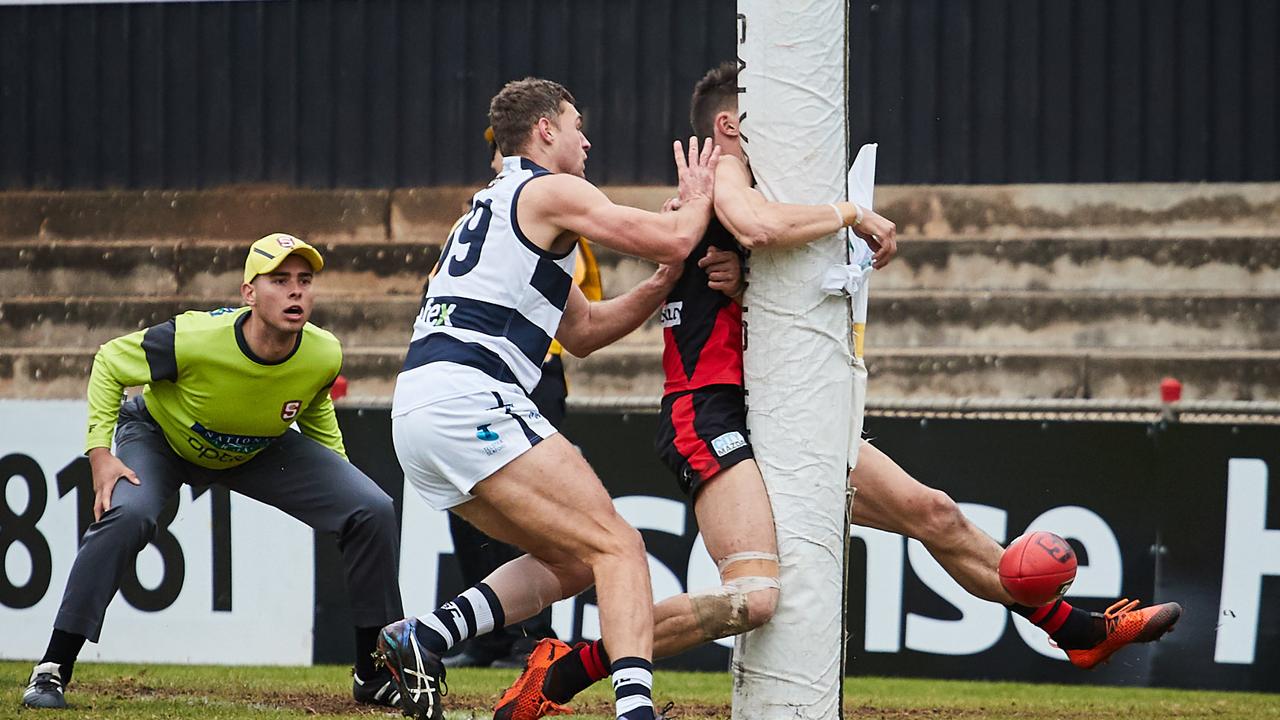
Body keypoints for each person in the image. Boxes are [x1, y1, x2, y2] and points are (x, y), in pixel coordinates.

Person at [493, 62, 1184, 720]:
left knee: (934, 513)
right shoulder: (727, 173)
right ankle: (562, 671)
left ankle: (1077, 629)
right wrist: (853, 212)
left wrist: (753, 282)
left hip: (778, 405)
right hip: (707, 415)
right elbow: (758, 225)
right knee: (753, 599)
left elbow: (757, 249)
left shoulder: (741, 194)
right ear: (733, 126)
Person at [376, 77, 719, 720]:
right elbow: (673, 236)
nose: (588, 140)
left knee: (574, 558)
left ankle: (425, 636)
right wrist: (701, 198)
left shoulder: (489, 209)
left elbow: (583, 333)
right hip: (469, 396)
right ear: (545, 130)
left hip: (419, 409)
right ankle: (636, 714)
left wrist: (660, 284)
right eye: (577, 125)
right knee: (619, 546)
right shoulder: (551, 188)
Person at [20, 233, 406, 710]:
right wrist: (100, 452)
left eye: (305, 281)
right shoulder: (193, 338)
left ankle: (372, 672)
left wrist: (342, 482)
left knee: (372, 508)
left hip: (257, 447)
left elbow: (314, 408)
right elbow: (109, 361)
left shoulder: (323, 352)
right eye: (279, 280)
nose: (295, 291)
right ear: (248, 293)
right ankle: (53, 667)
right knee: (130, 515)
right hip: (162, 438)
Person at [443, 127, 605, 670]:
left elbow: (573, 313)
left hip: (534, 367)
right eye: (491, 150)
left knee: (539, 512)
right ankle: (489, 638)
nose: (496, 159)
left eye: (501, 149)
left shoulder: (550, 213)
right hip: (478, 373)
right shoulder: (485, 217)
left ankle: (533, 637)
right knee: (474, 512)